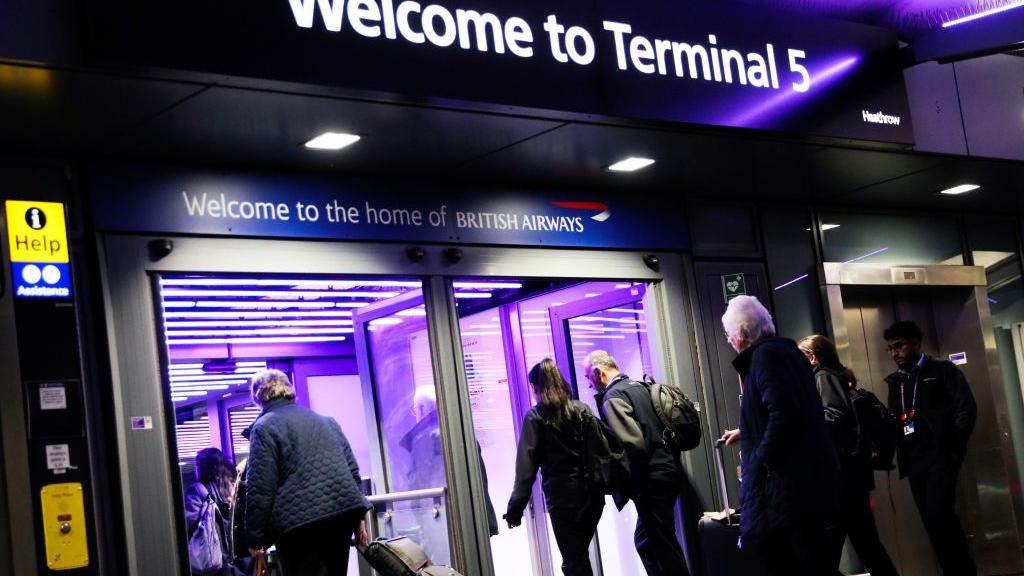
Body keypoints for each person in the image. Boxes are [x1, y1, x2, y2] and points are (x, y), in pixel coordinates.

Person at [720, 295, 837, 576]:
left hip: (783, 493)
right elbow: (785, 408)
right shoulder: (788, 353)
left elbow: (784, 414)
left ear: (744, 333)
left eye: (729, 335)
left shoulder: (765, 356)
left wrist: (759, 460)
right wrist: (748, 430)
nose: (728, 341)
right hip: (802, 486)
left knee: (790, 562)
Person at [244, 369, 371, 576]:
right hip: (341, 517)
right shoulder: (326, 421)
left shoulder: (264, 427)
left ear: (257, 396)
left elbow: (260, 489)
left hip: (300, 527)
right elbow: (352, 471)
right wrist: (359, 517)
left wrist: (255, 539)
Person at [799, 334, 900, 576]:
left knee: (823, 555)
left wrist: (801, 420)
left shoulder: (822, 377)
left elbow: (834, 416)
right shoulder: (835, 376)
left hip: (840, 479)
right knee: (867, 545)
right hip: (850, 477)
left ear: (812, 357)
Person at [883, 320, 977, 576]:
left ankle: (962, 571)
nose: (894, 353)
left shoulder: (942, 370)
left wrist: (952, 449)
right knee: (931, 521)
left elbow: (965, 408)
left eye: (899, 346)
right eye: (890, 349)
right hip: (914, 461)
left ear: (916, 342)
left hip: (939, 457)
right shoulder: (897, 382)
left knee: (941, 517)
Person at [584, 350, 690, 576]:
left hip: (650, 481)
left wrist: (631, 484)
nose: (589, 385)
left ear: (598, 372)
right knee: (647, 541)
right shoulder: (641, 387)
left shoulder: (613, 398)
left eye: (588, 378)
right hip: (668, 471)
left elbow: (632, 445)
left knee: (664, 548)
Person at [505, 359, 605, 576]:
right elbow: (600, 453)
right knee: (575, 558)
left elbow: (526, 469)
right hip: (592, 499)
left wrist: (515, 509)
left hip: (562, 501)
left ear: (536, 387)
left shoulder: (536, 417)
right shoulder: (583, 410)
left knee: (575, 561)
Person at [185, 447, 243, 576]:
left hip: (211, 559)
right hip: (230, 559)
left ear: (201, 467)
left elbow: (187, 524)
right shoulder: (231, 489)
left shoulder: (198, 491)